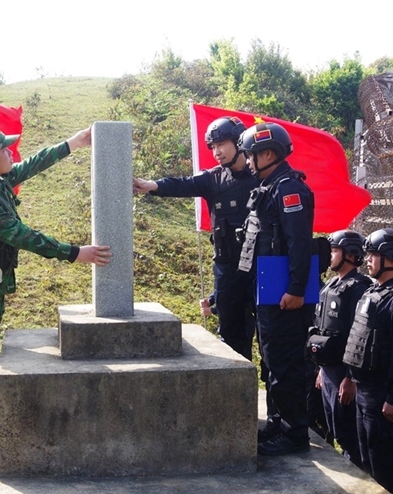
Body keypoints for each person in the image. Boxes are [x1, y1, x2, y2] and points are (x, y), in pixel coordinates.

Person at [0, 122, 112, 450]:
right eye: (4, 150)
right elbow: (24, 237)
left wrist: (73, 142)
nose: (11, 153)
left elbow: (33, 164)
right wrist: (75, 253)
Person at [133, 116, 258, 359]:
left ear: (238, 142)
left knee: (270, 335)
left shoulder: (262, 178)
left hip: (261, 266)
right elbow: (183, 184)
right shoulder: (213, 179)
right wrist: (151, 185)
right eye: (213, 147)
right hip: (228, 269)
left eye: (221, 144)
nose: (217, 152)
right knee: (231, 338)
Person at [236, 122, 314, 456]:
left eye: (252, 155)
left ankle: (295, 432)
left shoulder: (288, 189)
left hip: (284, 288)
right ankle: (278, 423)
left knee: (285, 361)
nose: (249, 161)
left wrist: (296, 287)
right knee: (272, 359)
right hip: (268, 283)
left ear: (268, 153)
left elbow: (299, 243)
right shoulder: (270, 186)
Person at [343, 228, 393, 494]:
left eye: (374, 255)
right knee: (368, 463)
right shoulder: (373, 293)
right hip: (364, 390)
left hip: (381, 396)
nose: (369, 260)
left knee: (387, 468)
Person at [307, 230, 371, 468]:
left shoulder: (358, 288)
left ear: (351, 254)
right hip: (328, 370)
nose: (330, 256)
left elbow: (359, 337)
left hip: (345, 374)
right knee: (333, 426)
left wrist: (350, 378)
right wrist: (322, 369)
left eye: (334, 251)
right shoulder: (331, 285)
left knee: (348, 434)